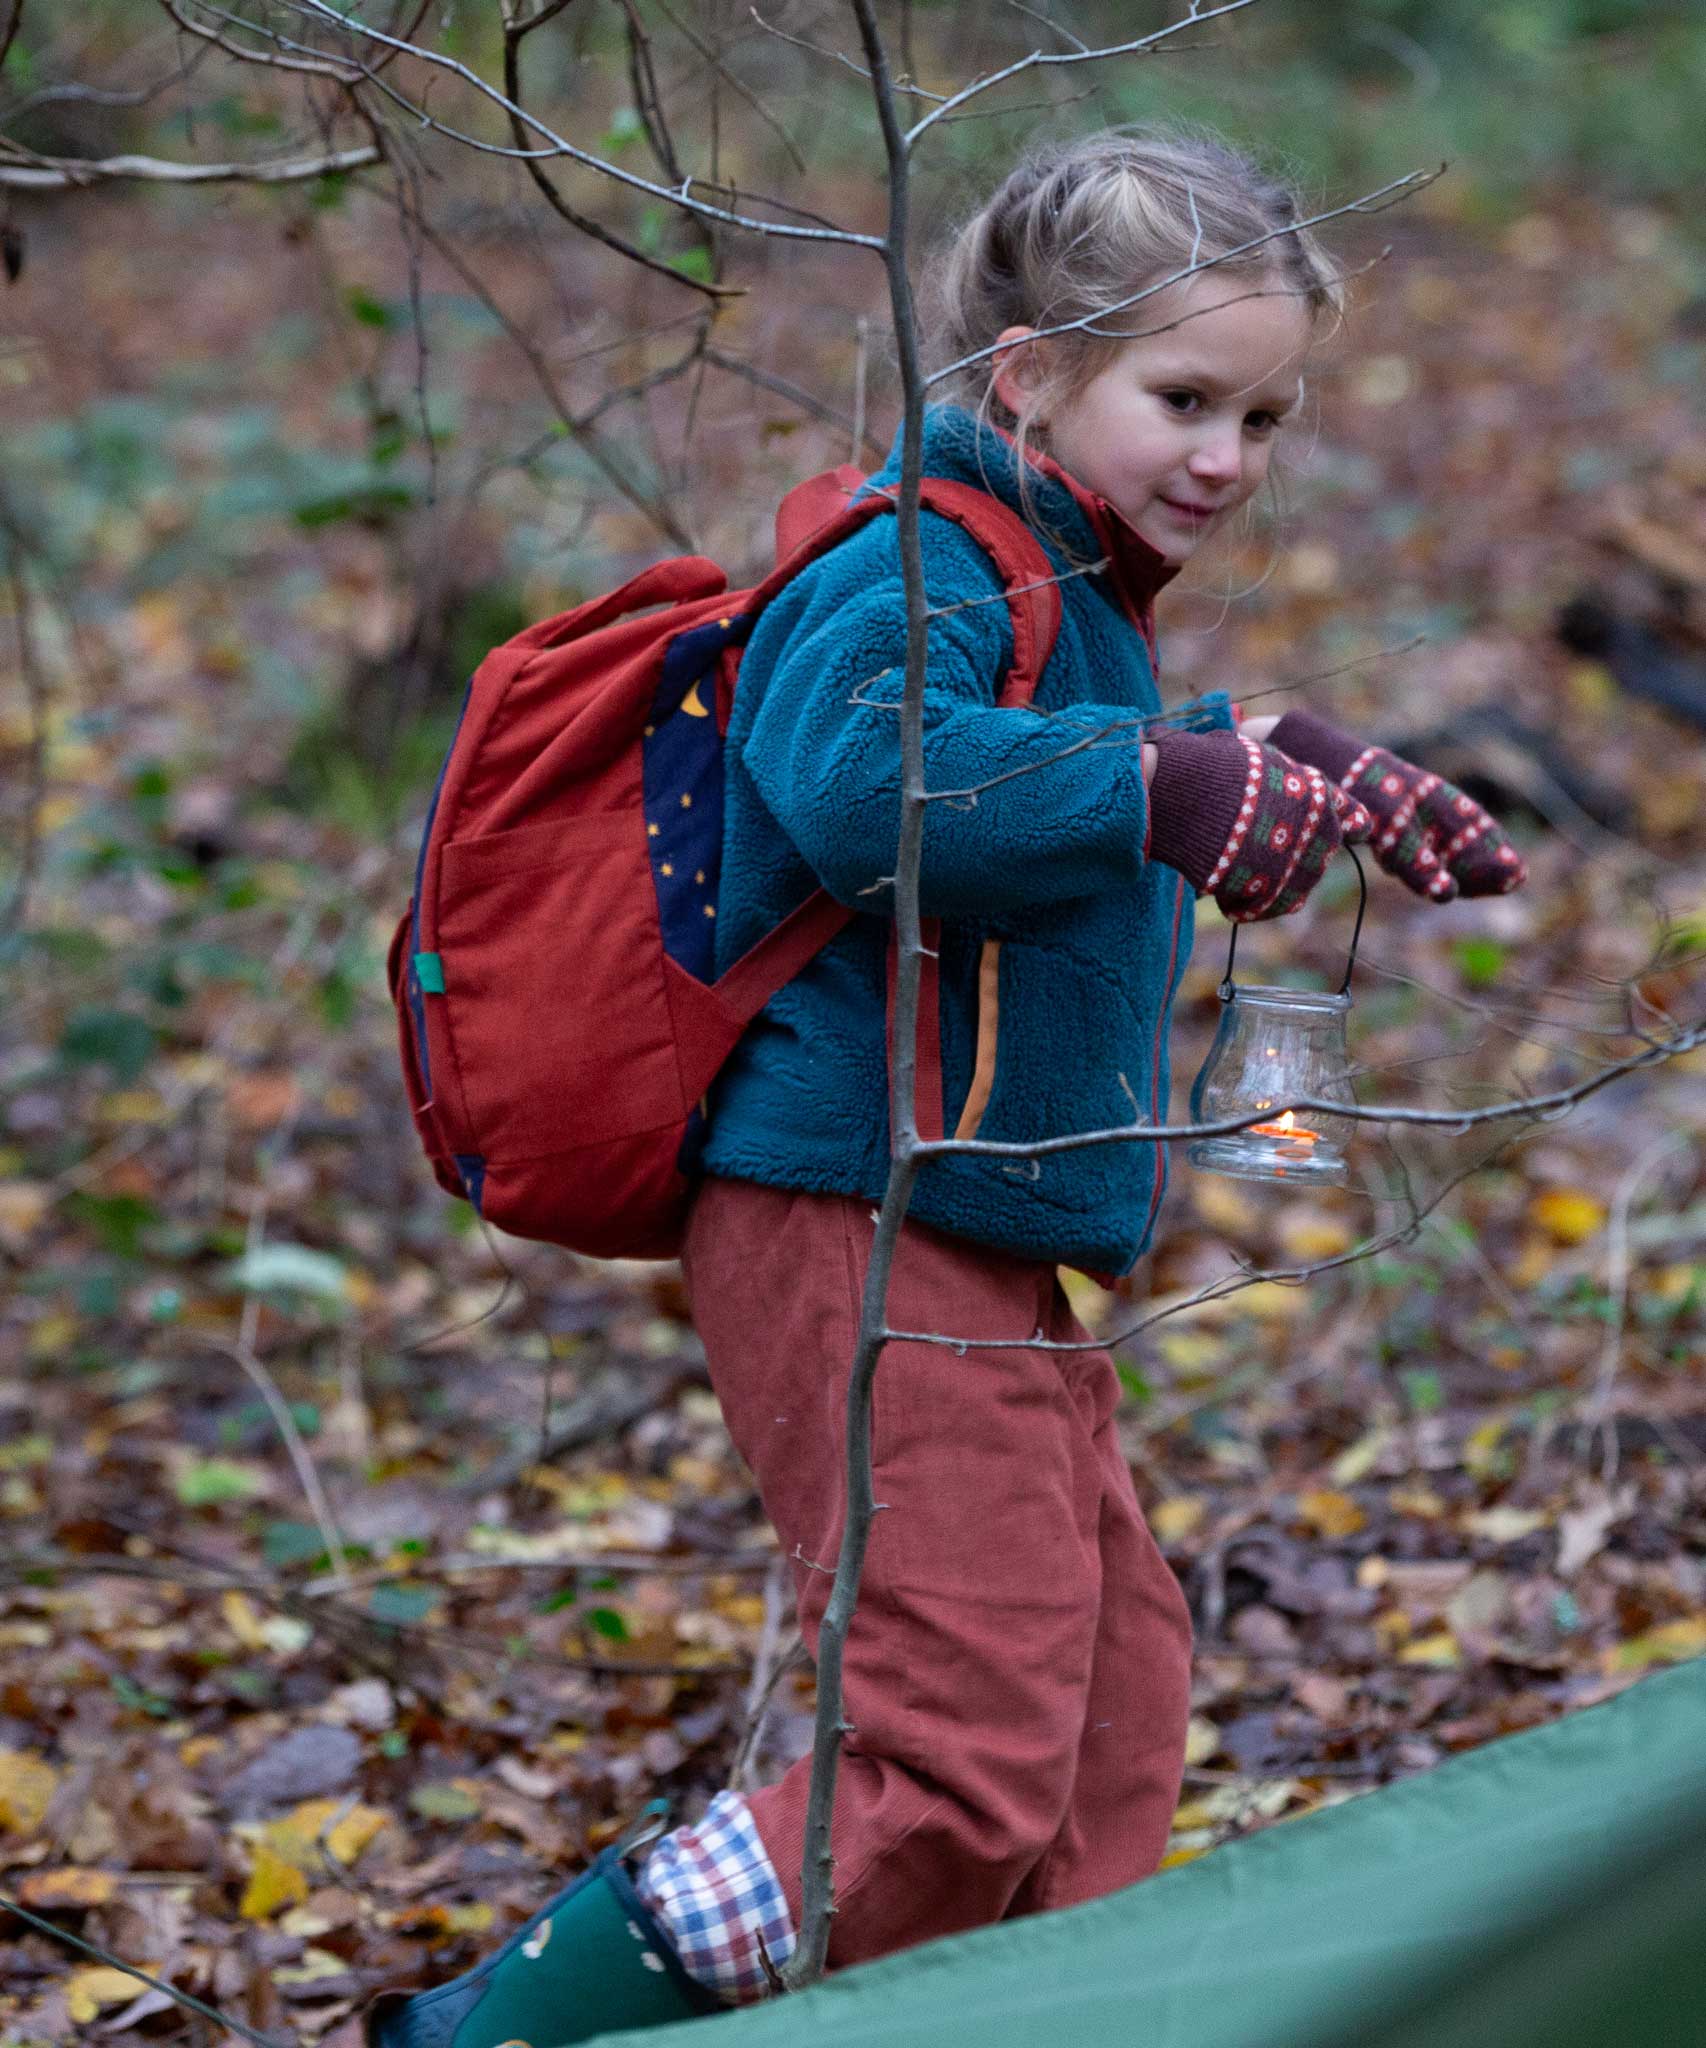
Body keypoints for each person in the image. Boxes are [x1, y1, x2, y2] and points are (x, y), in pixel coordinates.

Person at [366, 127, 1525, 2048]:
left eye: (1266, 414)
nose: (1227, 458)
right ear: (1024, 380)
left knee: (1105, 1709)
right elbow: (862, 778)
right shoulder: (910, 553)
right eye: (1183, 399)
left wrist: (1285, 751)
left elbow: (1065, 748)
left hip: (966, 1228)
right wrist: (1162, 786)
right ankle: (484, 2038)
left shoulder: (1067, 578)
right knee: (962, 1741)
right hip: (846, 1207)